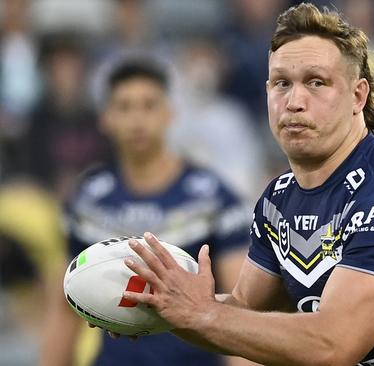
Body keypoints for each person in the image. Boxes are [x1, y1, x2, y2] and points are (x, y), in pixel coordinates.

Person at [119, 4, 374, 365]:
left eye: (316, 82)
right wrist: (161, 307)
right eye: (281, 84)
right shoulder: (277, 199)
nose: (294, 101)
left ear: (358, 96)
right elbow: (241, 314)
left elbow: (333, 344)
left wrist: (200, 313)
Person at [40, 58, 253, 366]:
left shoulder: (213, 198)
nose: (137, 119)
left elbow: (241, 307)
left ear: (169, 114)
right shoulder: (87, 200)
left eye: (149, 105)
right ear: (106, 118)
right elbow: (63, 308)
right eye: (124, 107)